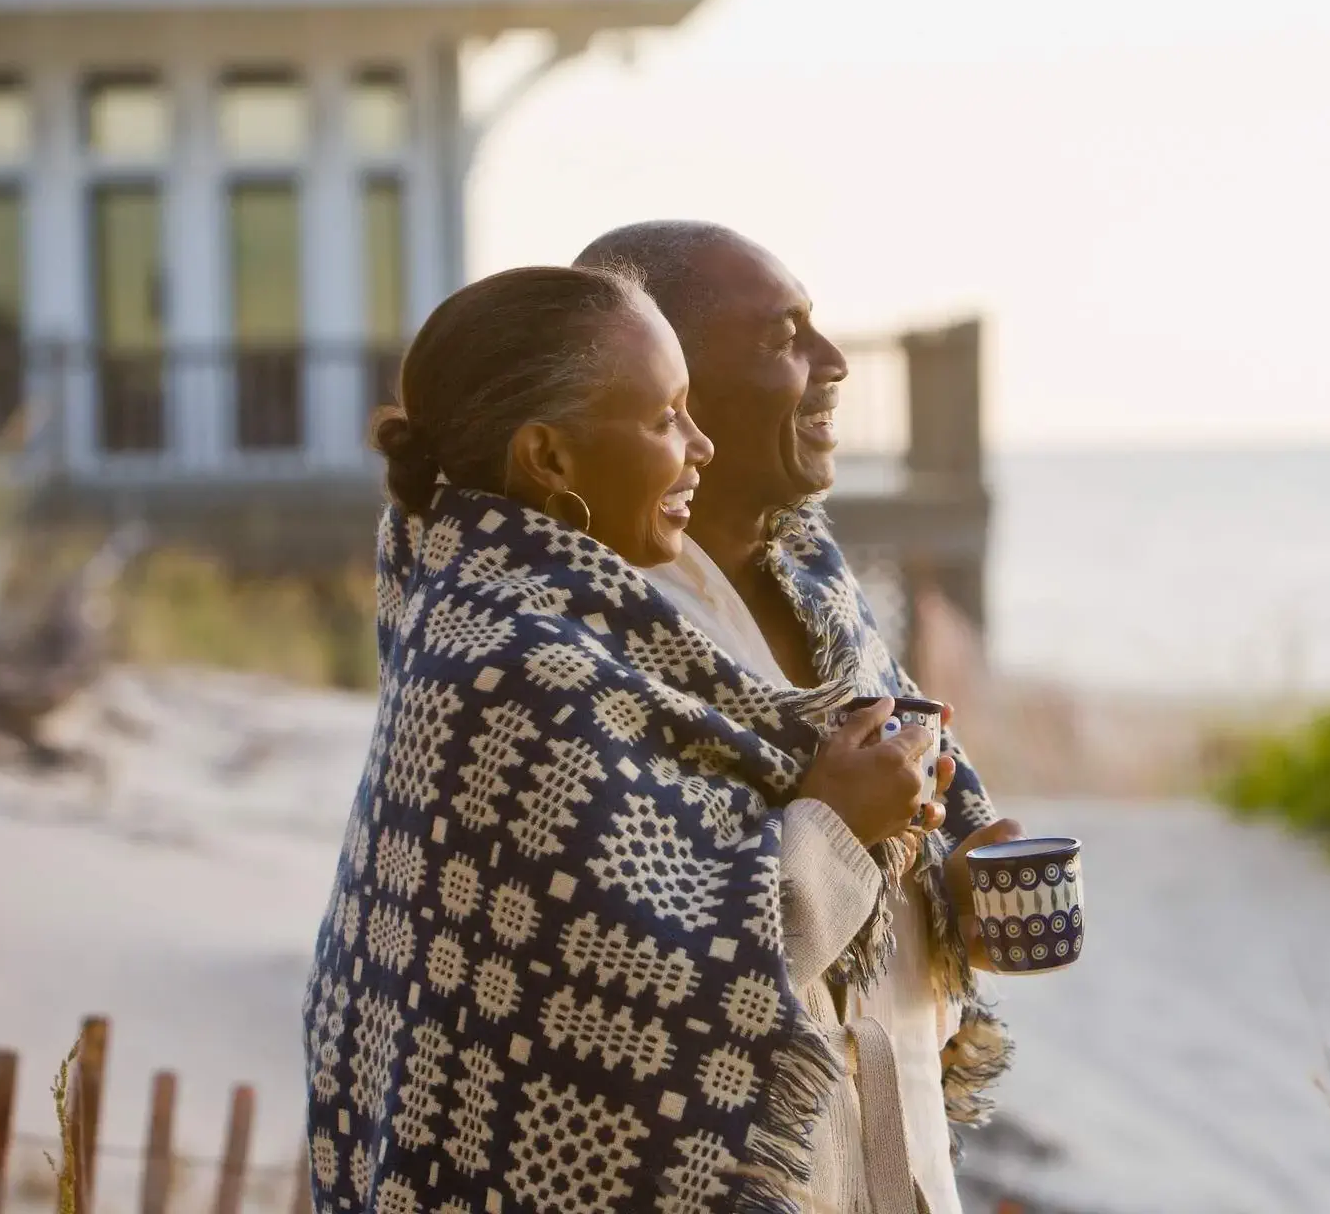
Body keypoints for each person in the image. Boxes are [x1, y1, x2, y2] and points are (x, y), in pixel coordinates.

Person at [304, 265, 957, 1214]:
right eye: (666, 418)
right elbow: (652, 996)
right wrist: (835, 825)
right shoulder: (510, 667)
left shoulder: (577, 631)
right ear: (549, 459)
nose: (699, 447)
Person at [574, 224, 1024, 1214]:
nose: (831, 367)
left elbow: (898, 832)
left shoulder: (822, 579)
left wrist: (951, 889)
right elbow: (618, 982)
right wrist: (832, 827)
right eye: (785, 338)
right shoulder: (567, 643)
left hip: (894, 1159)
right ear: (660, 379)